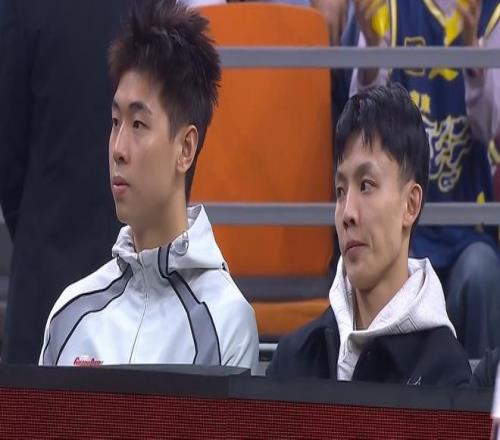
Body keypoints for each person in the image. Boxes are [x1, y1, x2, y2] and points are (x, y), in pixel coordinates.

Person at [39, 0, 259, 371]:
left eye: (139, 125)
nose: (118, 149)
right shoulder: (70, 313)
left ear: (185, 148)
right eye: (115, 122)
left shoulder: (225, 323)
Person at [267, 84, 471, 386]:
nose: (347, 213)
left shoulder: (444, 375)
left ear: (410, 204)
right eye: (340, 191)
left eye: (366, 185)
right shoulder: (293, 359)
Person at [350, 0, 500, 358]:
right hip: (401, 229)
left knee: (481, 273)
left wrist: (472, 51)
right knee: (383, 270)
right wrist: (372, 53)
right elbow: (360, 133)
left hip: (468, 229)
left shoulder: (491, 16)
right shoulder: (387, 7)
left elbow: (490, 127)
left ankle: (479, 391)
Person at [0, 0, 134, 363]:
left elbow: (9, 152)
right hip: (127, 270)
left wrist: (35, 228)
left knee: (34, 403)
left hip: (45, 263)